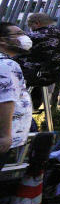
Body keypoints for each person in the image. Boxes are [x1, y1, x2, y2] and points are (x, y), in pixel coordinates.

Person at [16, 12, 60, 109]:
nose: (31, 29)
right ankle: (35, 104)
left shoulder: (33, 36)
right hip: (51, 75)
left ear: (37, 23)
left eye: (31, 26)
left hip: (28, 75)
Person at [0, 22, 34, 170]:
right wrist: (5, 135)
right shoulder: (7, 65)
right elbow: (6, 101)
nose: (25, 37)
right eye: (19, 34)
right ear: (2, 40)